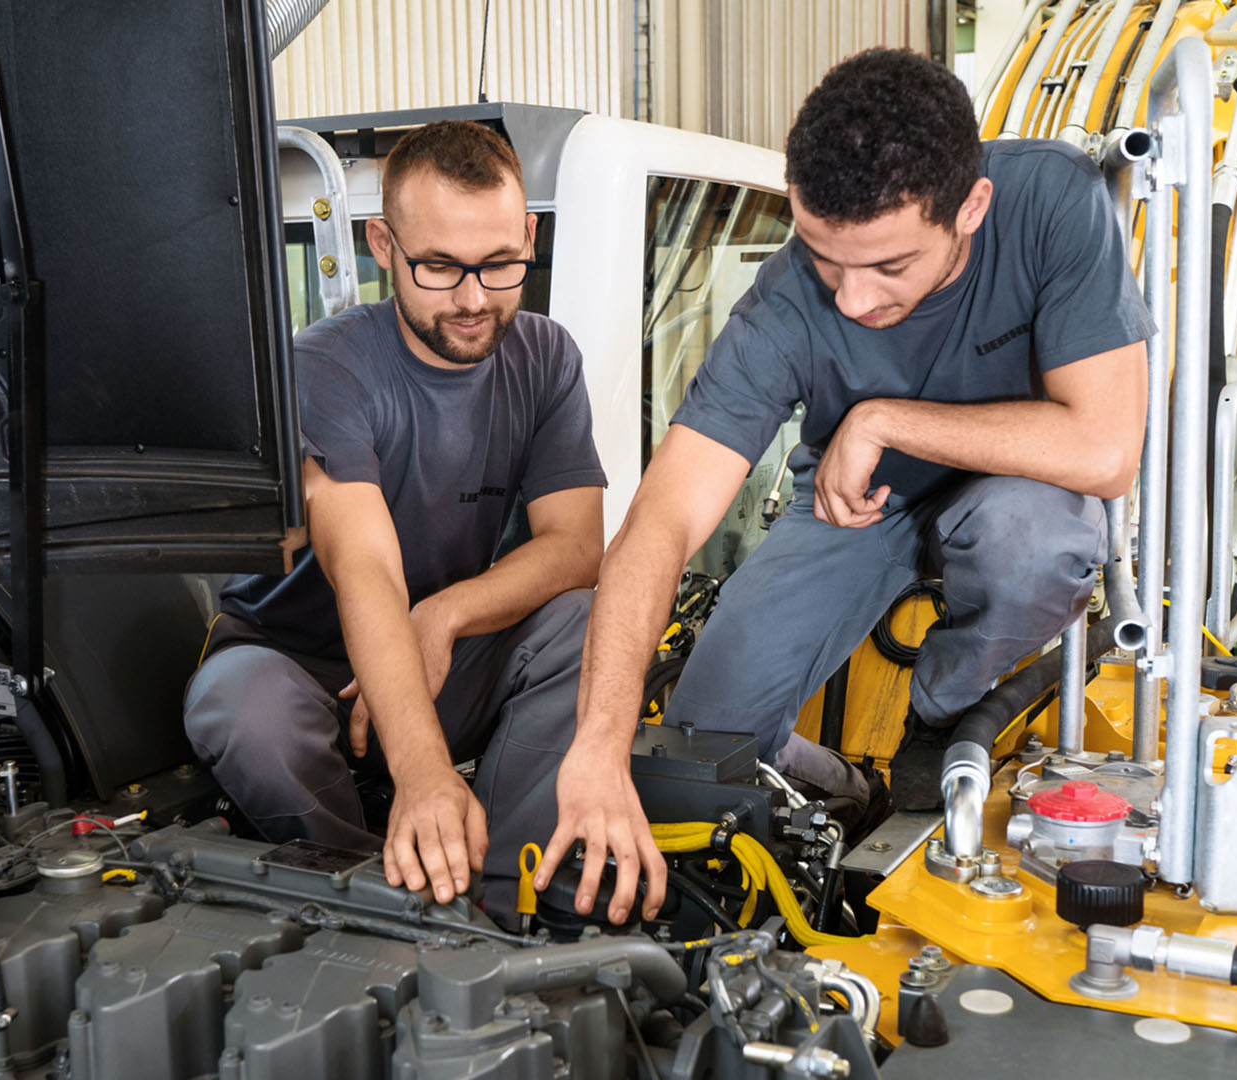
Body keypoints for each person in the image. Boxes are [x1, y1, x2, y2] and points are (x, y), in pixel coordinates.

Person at [535, 47, 1154, 925]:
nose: (853, 300)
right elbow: (664, 518)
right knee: (703, 740)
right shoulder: (784, 303)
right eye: (827, 260)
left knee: (1033, 540)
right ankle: (843, 794)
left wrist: (880, 419)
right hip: (858, 507)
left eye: (890, 268)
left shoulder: (1052, 201)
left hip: (1020, 488)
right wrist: (597, 744)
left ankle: (939, 722)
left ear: (970, 208)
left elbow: (1104, 448)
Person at [183, 120, 605, 924]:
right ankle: (374, 910)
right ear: (383, 243)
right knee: (244, 707)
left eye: (500, 264)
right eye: (440, 267)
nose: (475, 298)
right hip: (303, 668)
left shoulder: (548, 360)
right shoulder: (326, 366)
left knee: (591, 623)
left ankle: (501, 915)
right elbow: (364, 564)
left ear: (528, 236)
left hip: (441, 660)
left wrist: (443, 615)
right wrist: (422, 774)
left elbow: (578, 547)